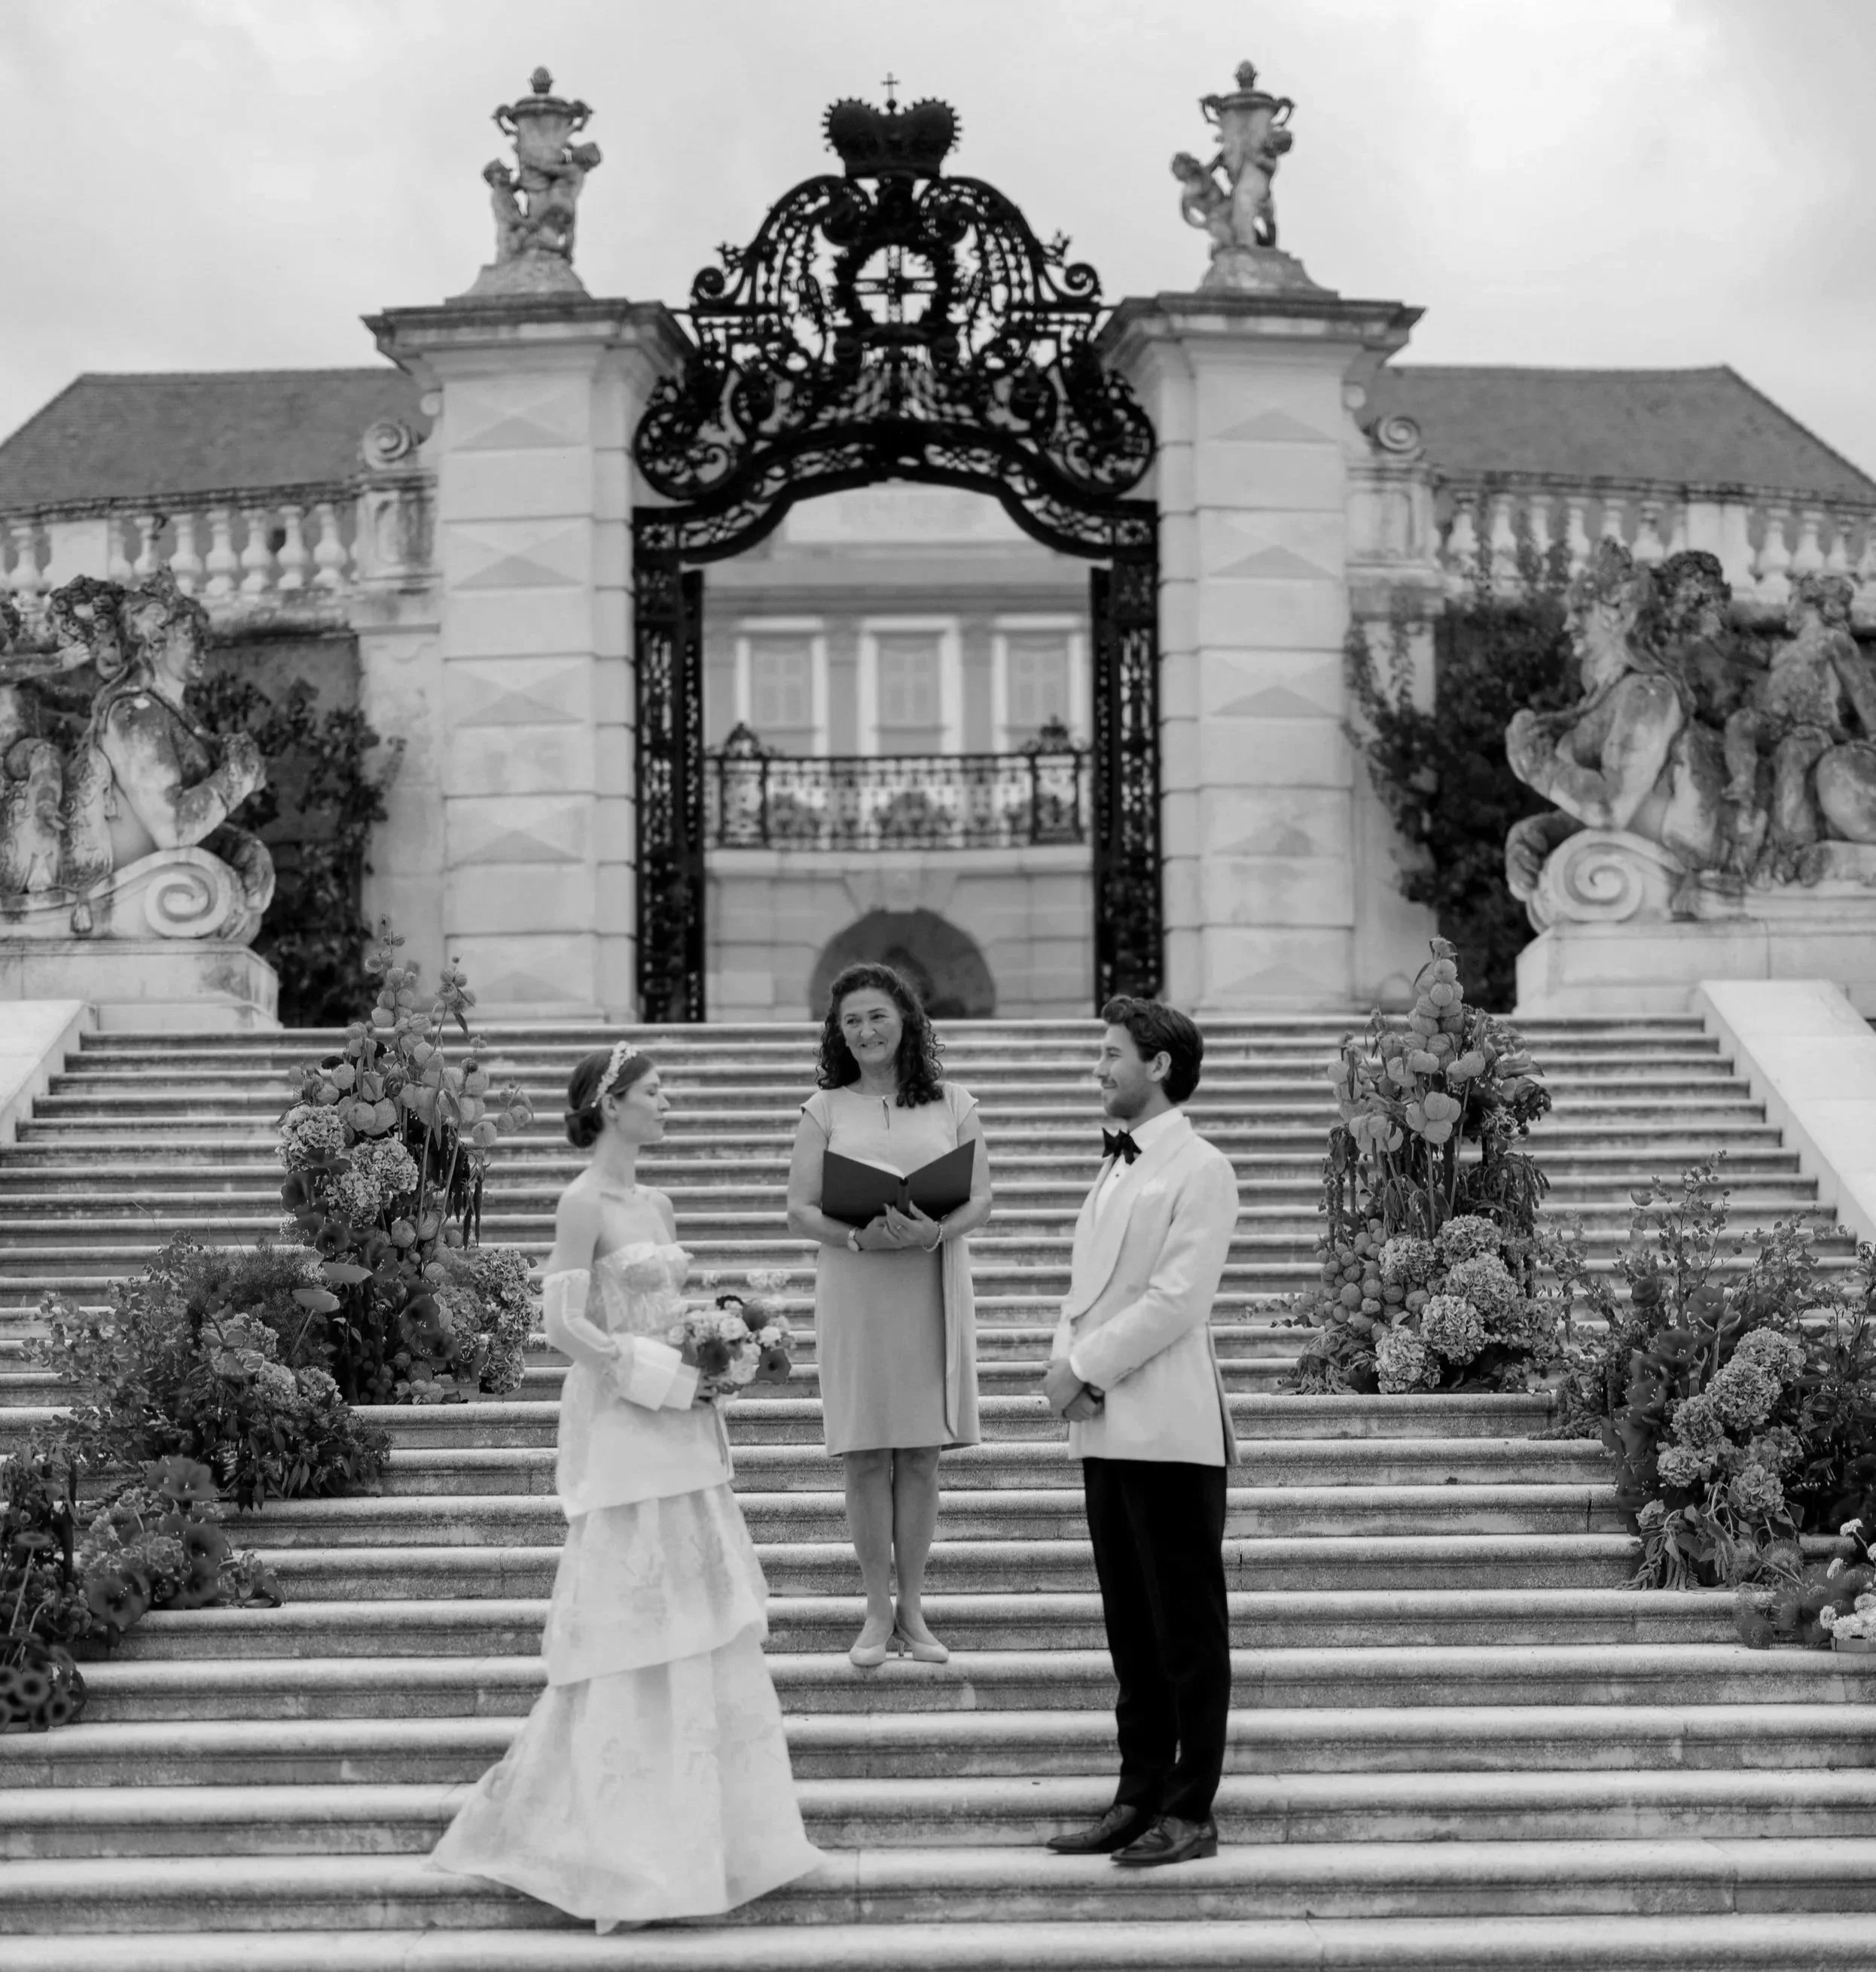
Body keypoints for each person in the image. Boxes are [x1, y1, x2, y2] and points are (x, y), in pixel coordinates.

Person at [430, 1041, 820, 1927]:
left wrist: (722, 1347)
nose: (668, 1103)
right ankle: (617, 1843)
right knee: (631, 1618)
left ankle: (711, 1841)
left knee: (697, 1612)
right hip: (627, 1422)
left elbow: (674, 1308)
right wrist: (644, 1367)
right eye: (655, 1092)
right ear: (612, 1106)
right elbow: (559, 1320)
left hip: (684, 1425)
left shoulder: (659, 1201)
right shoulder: (583, 1202)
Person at [1040, 996, 1240, 1869]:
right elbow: (1082, 1291)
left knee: (1184, 1631)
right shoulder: (1114, 1166)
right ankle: (1136, 1794)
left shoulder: (1201, 1168)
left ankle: (1190, 1811)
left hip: (1169, 1427)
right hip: (1107, 1425)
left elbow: (1177, 1302)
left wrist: (1083, 1367)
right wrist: (1067, 1365)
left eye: (1112, 1053)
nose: (1099, 1068)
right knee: (1130, 1628)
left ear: (1157, 1065)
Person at [786, 962, 990, 1669]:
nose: (865, 1030)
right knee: (867, 1452)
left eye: (876, 1015)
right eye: (851, 1021)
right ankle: (876, 1608)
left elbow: (980, 1200)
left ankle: (914, 1608)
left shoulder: (956, 1102)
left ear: (905, 1017)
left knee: (921, 1453)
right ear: (837, 1034)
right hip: (855, 1283)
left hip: (929, 1277)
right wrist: (853, 1235)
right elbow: (799, 1207)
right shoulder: (823, 1109)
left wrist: (934, 1231)